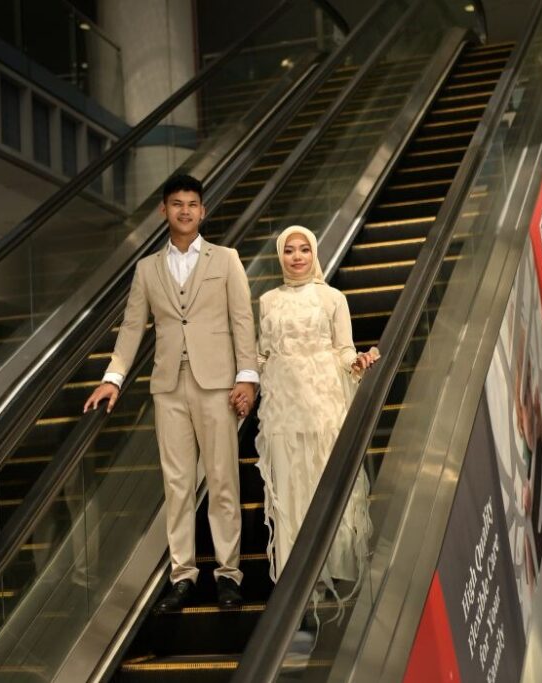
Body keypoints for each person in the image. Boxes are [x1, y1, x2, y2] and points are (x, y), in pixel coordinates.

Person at [84, 174, 258, 612]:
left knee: (222, 479)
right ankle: (182, 575)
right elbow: (132, 327)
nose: (185, 211)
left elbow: (242, 319)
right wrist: (113, 377)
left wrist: (247, 376)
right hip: (168, 387)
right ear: (164, 210)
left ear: (203, 211)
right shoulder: (147, 269)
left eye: (192, 204)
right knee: (177, 483)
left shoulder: (226, 259)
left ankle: (228, 574)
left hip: (217, 383)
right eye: (177, 204)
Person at [254, 225, 377, 603]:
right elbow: (262, 354)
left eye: (304, 249)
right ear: (280, 256)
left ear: (314, 254)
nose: (296, 257)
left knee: (325, 477)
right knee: (291, 484)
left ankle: (333, 566)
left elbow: (344, 348)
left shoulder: (332, 298)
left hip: (324, 401)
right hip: (282, 404)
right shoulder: (267, 300)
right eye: (289, 250)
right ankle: (299, 581)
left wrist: (356, 362)